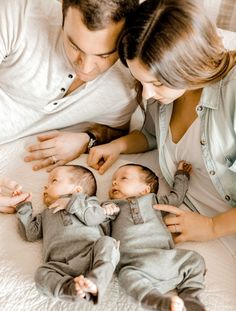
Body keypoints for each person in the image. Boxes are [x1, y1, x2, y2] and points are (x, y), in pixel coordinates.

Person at [88, 0, 236, 248]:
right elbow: (152, 135)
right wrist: (118, 145)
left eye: (157, 83)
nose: (146, 95)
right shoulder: (165, 96)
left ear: (191, 63)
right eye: (141, 81)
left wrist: (212, 226)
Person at [0, 0, 138, 171]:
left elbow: (117, 130)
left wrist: (87, 139)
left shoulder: (129, 83)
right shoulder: (20, 14)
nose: (85, 68)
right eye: (74, 46)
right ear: (63, 12)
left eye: (104, 56)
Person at [102, 162, 210, 311]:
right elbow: (97, 223)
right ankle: (159, 302)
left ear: (145, 189)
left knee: (195, 260)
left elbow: (176, 197)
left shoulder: (154, 201)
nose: (115, 182)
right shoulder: (111, 206)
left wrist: (181, 176)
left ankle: (190, 299)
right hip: (135, 265)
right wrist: (103, 212)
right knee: (125, 277)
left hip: (165, 258)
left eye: (123, 178)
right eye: (113, 181)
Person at [16, 165, 120, 302]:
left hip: (91, 254)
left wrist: (73, 204)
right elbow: (30, 234)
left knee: (108, 243)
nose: (45, 187)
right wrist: (23, 207)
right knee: (41, 274)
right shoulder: (46, 214)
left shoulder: (89, 203)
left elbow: (94, 218)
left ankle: (96, 282)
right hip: (60, 264)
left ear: (77, 190)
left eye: (53, 181)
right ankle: (71, 289)